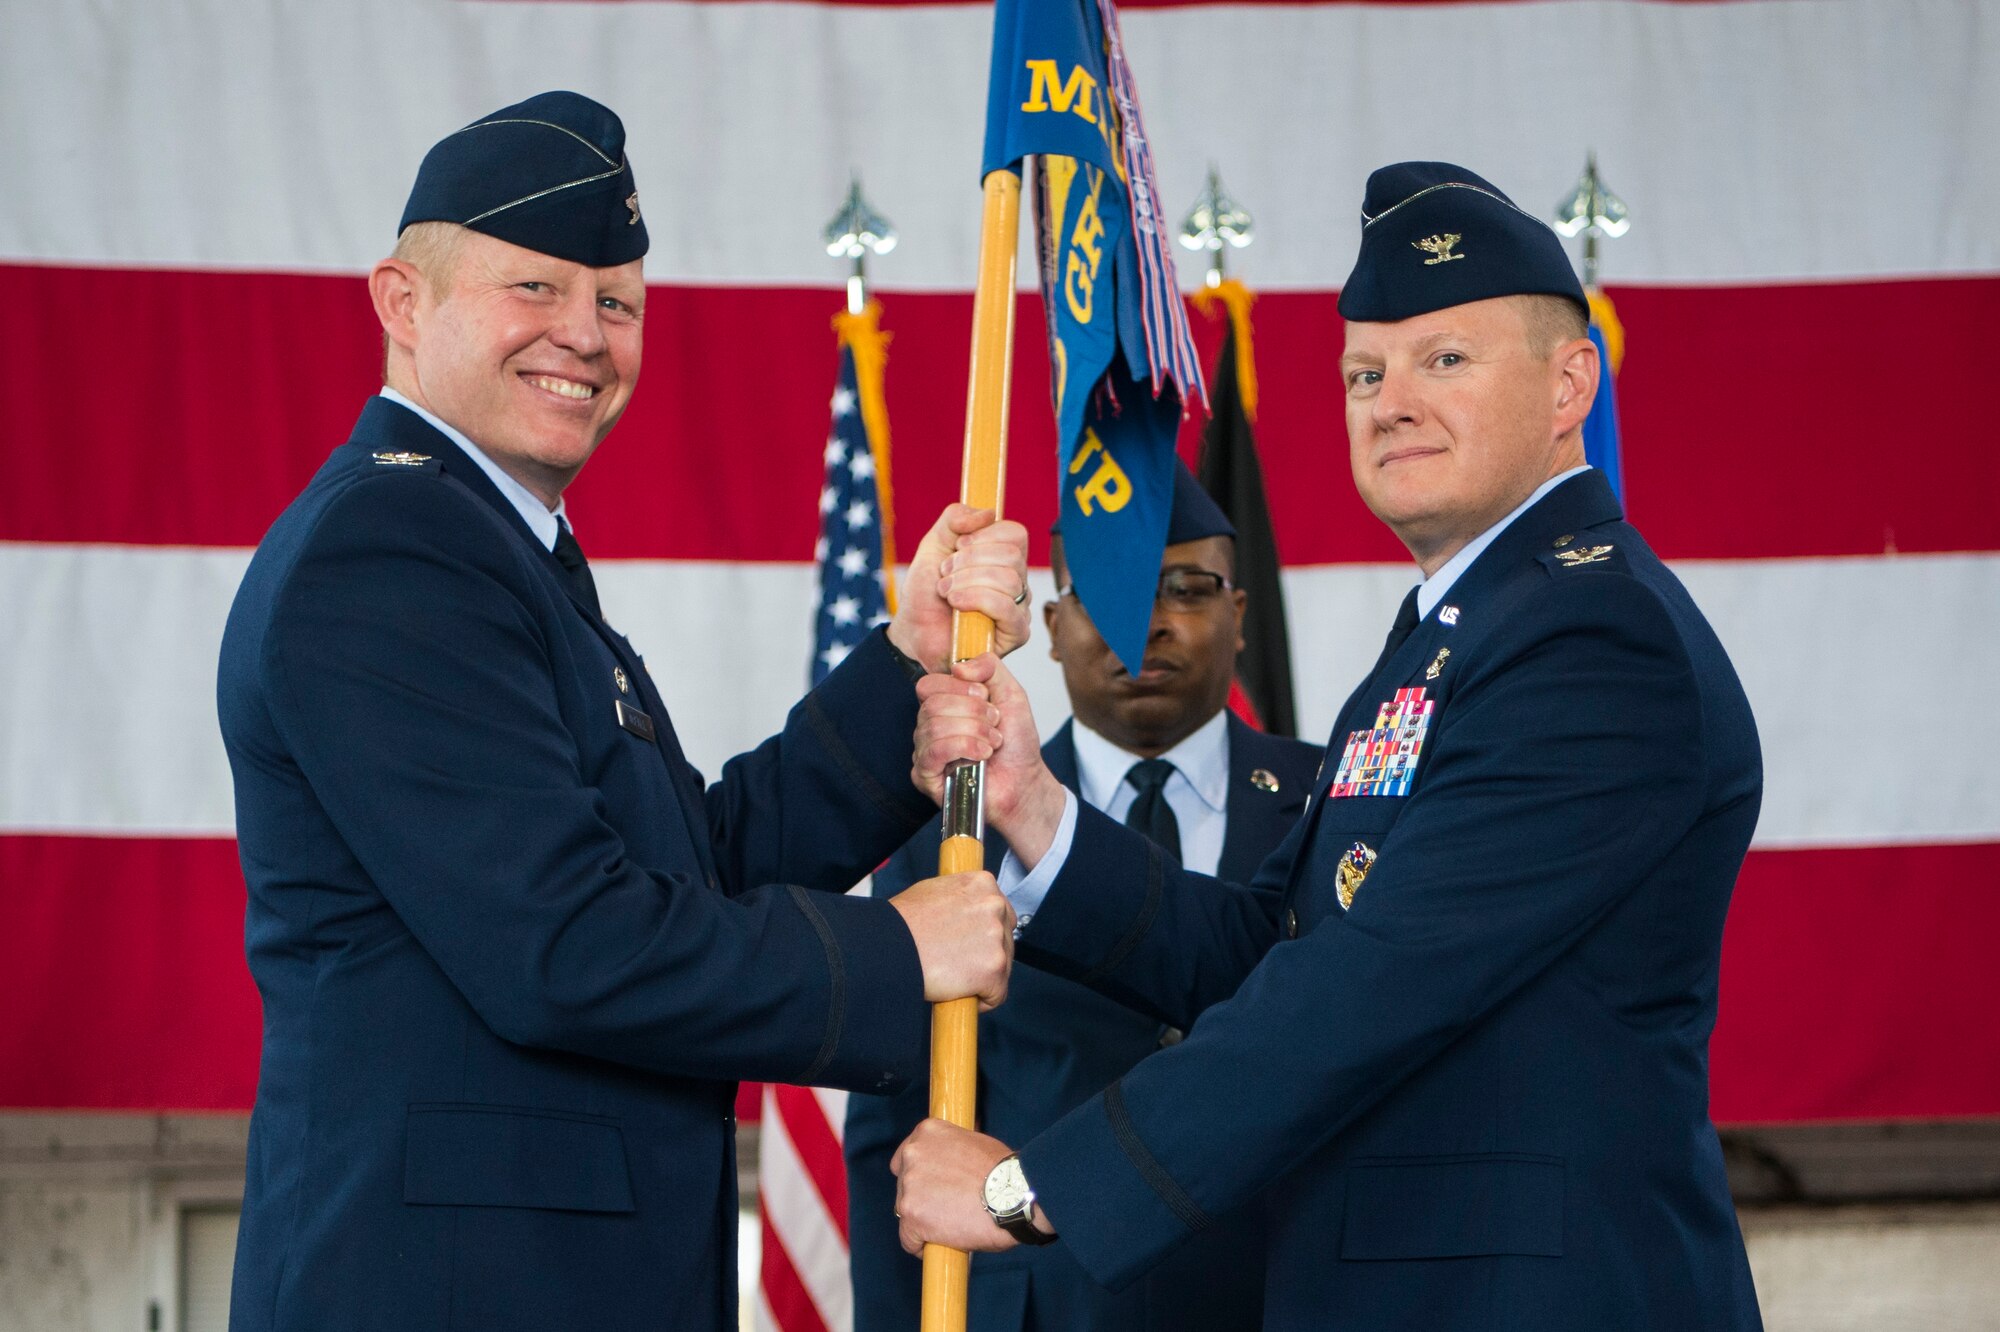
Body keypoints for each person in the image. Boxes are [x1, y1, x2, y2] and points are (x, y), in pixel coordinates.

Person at [891, 161, 1766, 1331]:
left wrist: (1026, 1191)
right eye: (1364, 370)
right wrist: (1033, 806)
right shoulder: (1457, 630)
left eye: (1442, 359)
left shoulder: (1592, 638)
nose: (1389, 400)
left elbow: (1367, 987)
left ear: (1570, 386)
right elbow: (1277, 944)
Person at [215, 92, 1027, 1332]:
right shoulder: (390, 548)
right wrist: (897, 954)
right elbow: (563, 942)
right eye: (533, 290)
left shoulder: (493, 541)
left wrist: (905, 660)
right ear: (401, 301)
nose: (583, 337)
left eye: (616, 303)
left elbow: (680, 870)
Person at [845, 463, 1320, 1332]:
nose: (1149, 620)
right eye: (1108, 589)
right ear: (1054, 626)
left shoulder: (1330, 807)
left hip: (1275, 1295)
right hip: (1039, 1302)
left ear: (1240, 617)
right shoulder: (952, 826)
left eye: (1188, 586)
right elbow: (895, 1132)